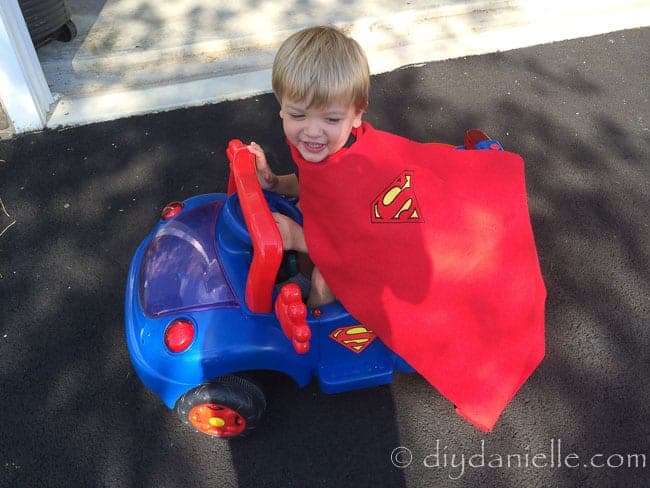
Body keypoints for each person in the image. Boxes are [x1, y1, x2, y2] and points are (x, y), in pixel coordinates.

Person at [246, 25, 369, 307]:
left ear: (356, 114)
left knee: (323, 279)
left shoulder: (356, 173)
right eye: (298, 114)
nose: (313, 132)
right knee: (305, 211)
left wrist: (298, 238)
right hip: (328, 227)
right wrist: (274, 182)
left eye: (331, 120)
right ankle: (303, 275)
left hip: (356, 250)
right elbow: (308, 182)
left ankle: (317, 318)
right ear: (281, 106)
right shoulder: (320, 146)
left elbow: (350, 251)